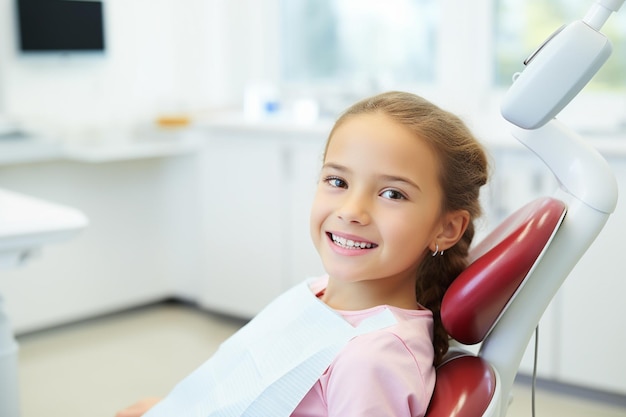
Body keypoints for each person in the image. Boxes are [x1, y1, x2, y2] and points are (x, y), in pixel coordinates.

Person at [116, 91, 489, 417]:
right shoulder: (319, 293)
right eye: (337, 181)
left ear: (446, 228)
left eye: (393, 194)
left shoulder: (371, 362)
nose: (351, 211)